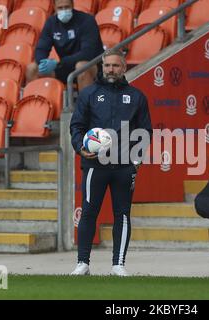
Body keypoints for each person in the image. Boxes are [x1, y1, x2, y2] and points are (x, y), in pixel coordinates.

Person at [69, 49, 152, 276]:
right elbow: (76, 126)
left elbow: (145, 131)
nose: (111, 70)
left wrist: (135, 160)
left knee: (122, 214)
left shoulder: (136, 97)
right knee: (88, 213)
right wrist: (81, 148)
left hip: (124, 167)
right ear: (101, 67)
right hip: (95, 166)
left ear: (124, 68)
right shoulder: (89, 94)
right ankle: (82, 263)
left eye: (116, 66)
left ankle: (118, 264)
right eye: (107, 66)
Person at [26, 0, 104, 90]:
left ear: (72, 5)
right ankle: (38, 102)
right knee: (32, 68)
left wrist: (58, 63)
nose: (64, 10)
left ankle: (85, 103)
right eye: (60, 8)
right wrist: (42, 62)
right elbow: (41, 49)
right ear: (54, 7)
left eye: (67, 7)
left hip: (92, 66)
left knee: (81, 66)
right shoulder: (51, 23)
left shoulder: (87, 20)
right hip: (66, 67)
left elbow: (87, 53)